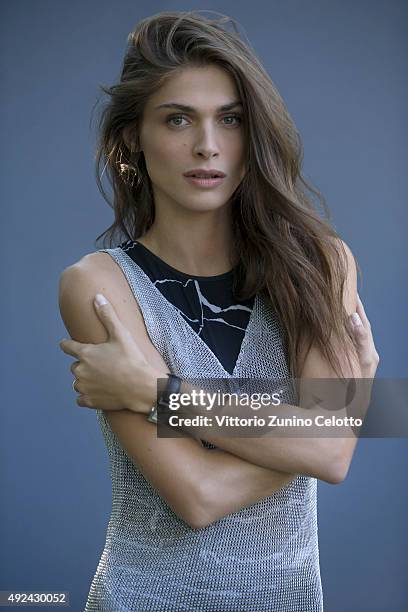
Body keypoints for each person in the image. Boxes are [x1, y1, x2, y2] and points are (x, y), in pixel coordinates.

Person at [58, 10, 379, 612]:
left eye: (229, 120)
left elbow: (331, 452)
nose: (207, 145)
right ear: (132, 136)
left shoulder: (320, 265)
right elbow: (198, 496)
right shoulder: (98, 285)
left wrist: (156, 393)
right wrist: (329, 420)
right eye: (178, 119)